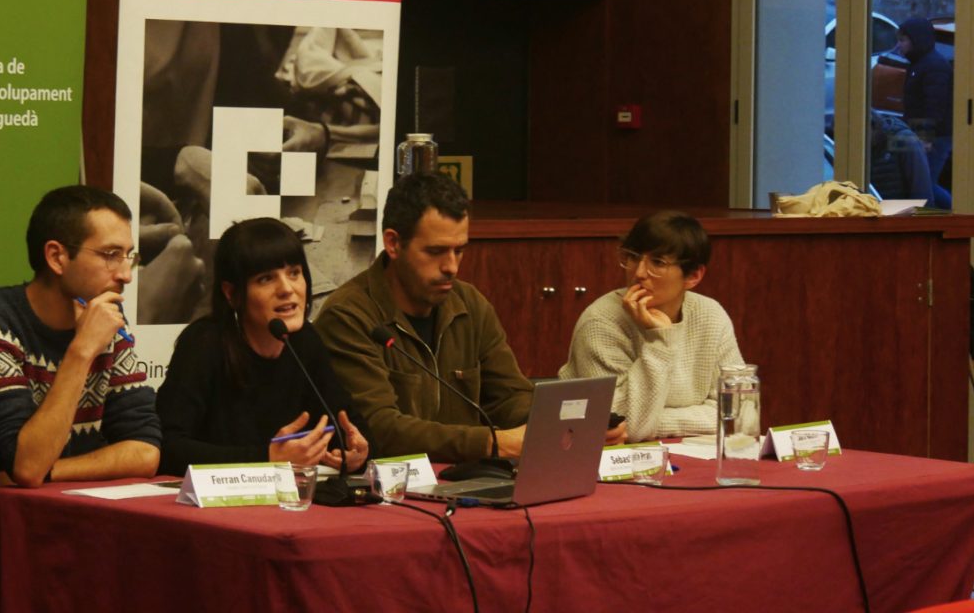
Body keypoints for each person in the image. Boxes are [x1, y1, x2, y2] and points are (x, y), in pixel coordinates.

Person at [0, 186, 162, 613]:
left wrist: (30, 476)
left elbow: (144, 452)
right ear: (56, 257)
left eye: (129, 256)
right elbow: (29, 464)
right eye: (110, 255)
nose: (126, 274)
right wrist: (81, 351)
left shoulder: (108, 325)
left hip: (72, 539)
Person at [316, 172, 628, 463]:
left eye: (459, 251)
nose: (451, 266)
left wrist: (569, 424)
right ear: (394, 243)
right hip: (390, 488)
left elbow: (509, 398)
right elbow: (380, 428)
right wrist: (494, 443)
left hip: (467, 478)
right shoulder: (348, 316)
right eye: (436, 252)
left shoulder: (468, 303)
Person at [156, 217, 371, 475]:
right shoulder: (204, 343)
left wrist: (356, 453)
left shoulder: (305, 340)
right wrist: (267, 458)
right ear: (231, 293)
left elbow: (347, 423)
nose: (287, 289)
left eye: (294, 273)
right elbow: (168, 448)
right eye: (266, 279)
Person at [557, 210, 743, 443]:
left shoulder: (710, 315)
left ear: (693, 276)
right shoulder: (600, 322)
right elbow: (620, 424)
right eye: (633, 257)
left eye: (657, 262)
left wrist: (655, 422)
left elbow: (737, 413)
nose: (639, 273)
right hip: (608, 457)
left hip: (689, 449)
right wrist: (660, 340)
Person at [897, 17, 953, 208]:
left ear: (916, 40)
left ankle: (956, 211)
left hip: (934, 137)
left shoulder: (934, 66)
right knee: (911, 180)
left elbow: (934, 106)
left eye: (903, 40)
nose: (899, 45)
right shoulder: (919, 63)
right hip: (914, 132)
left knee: (925, 184)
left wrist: (925, 137)